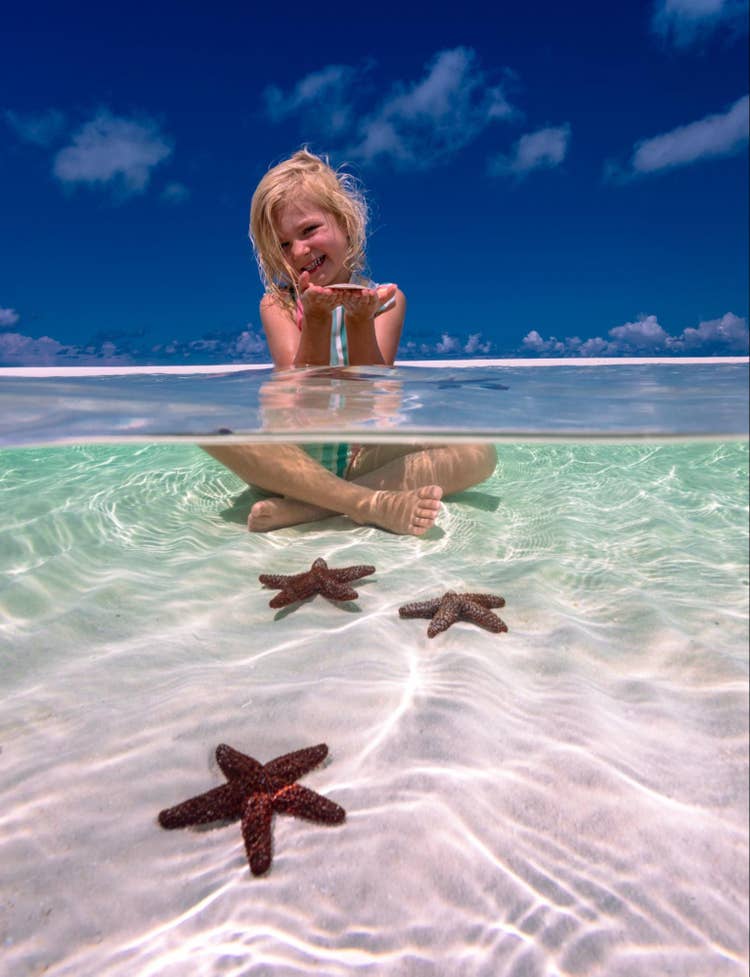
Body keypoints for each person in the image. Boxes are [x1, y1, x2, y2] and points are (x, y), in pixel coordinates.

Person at [204, 149, 496, 535]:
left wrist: (360, 322)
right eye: (283, 245)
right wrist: (318, 320)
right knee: (210, 427)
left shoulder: (387, 300)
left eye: (308, 231)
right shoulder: (276, 304)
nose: (299, 251)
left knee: (481, 451)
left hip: (360, 456)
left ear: (344, 223)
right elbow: (301, 395)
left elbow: (375, 397)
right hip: (290, 463)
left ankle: (315, 507)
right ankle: (359, 502)